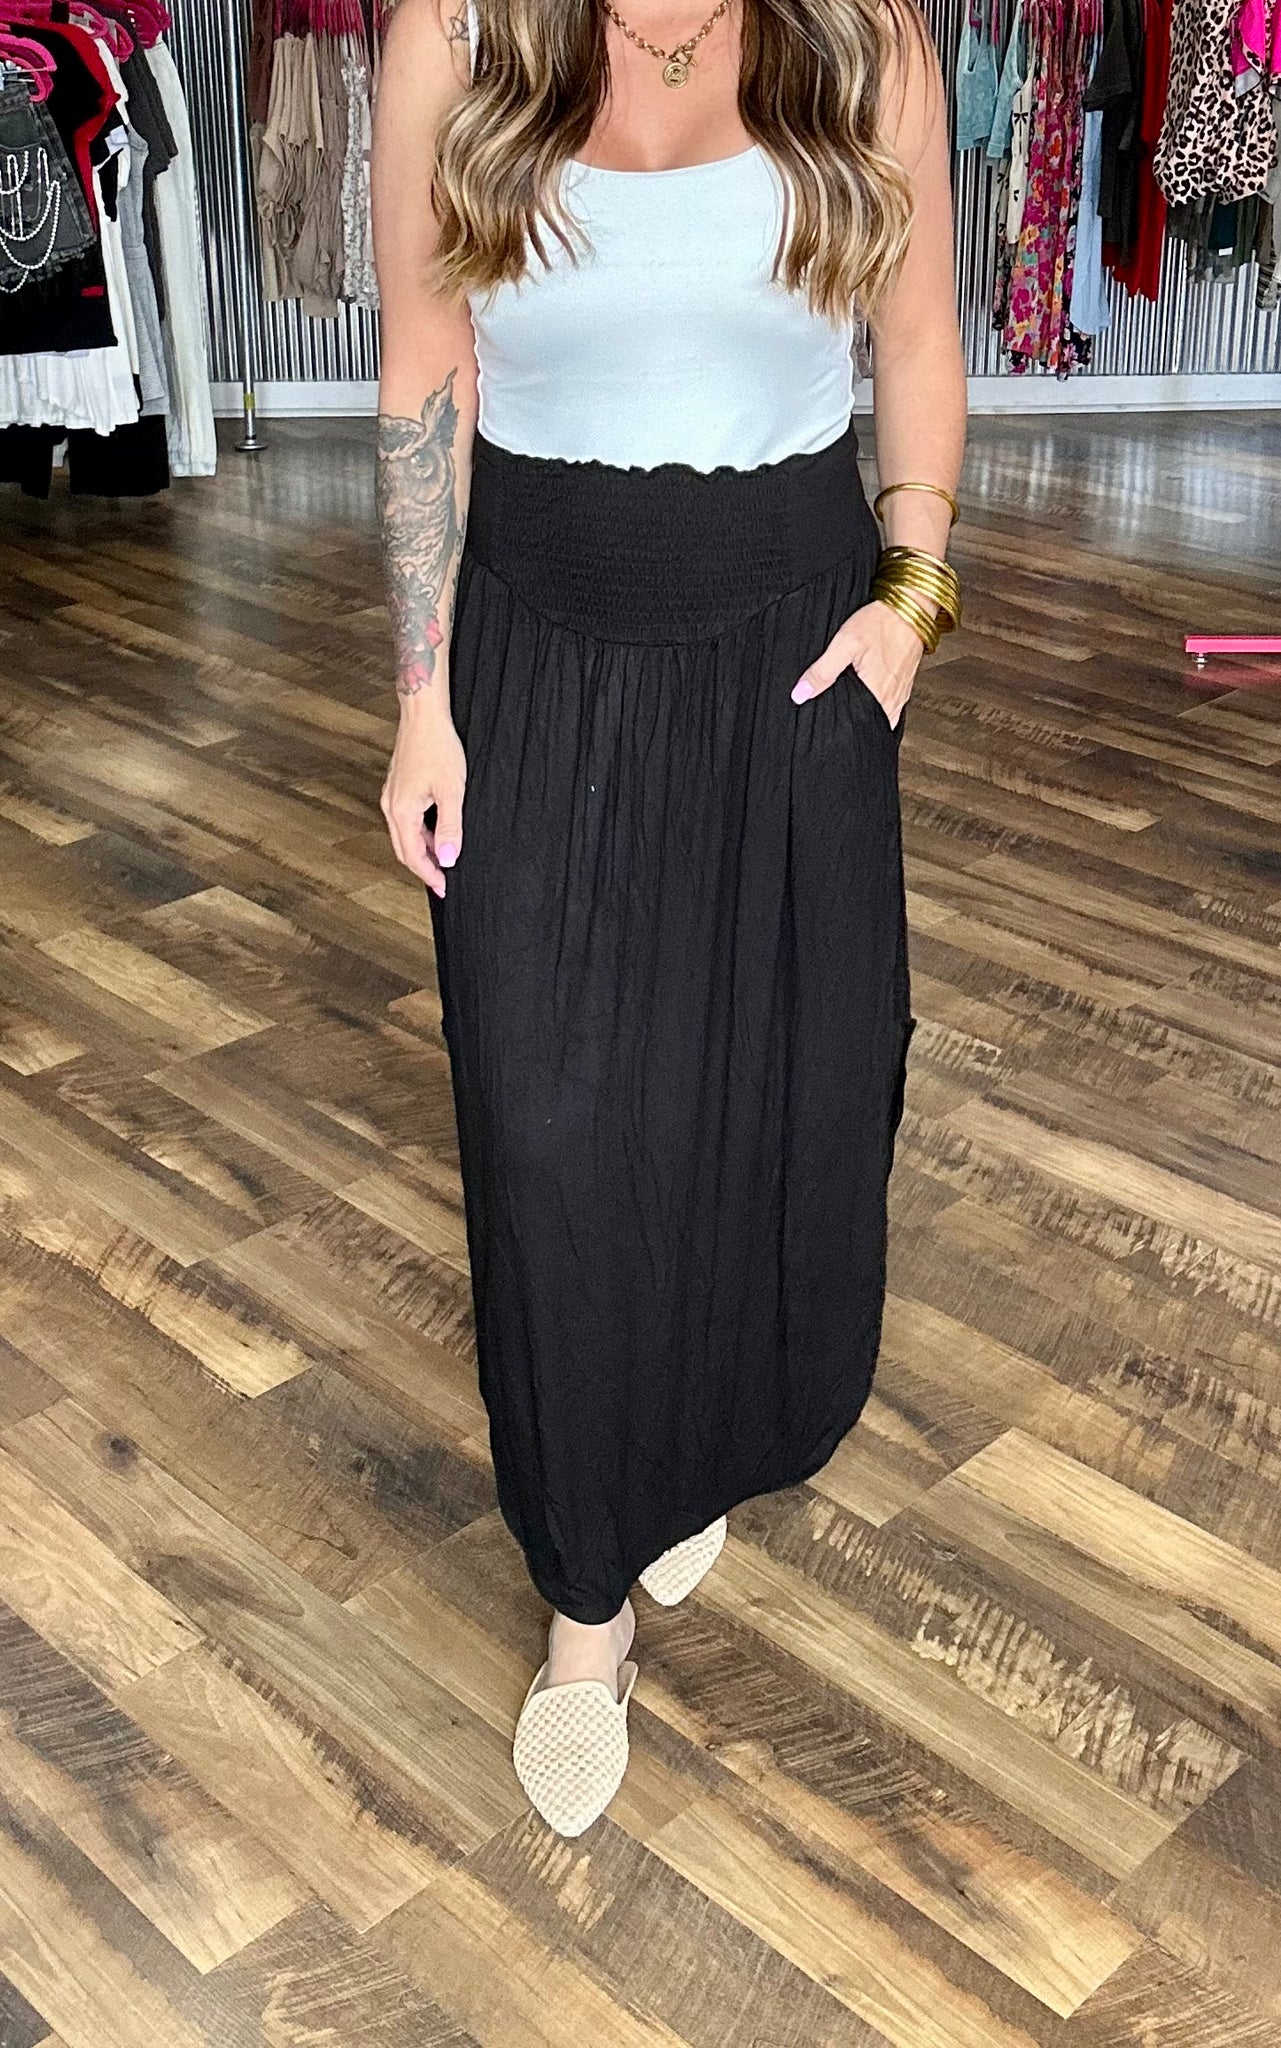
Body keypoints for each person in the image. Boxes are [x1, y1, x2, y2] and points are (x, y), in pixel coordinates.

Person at [372, 0, 966, 1837]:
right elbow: (422, 371)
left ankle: (688, 1444)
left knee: (767, 1095)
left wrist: (909, 608)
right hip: (533, 650)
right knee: (549, 1131)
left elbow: (919, 341)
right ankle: (585, 1596)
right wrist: (420, 696)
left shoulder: (860, 40)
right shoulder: (456, 36)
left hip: (788, 656)